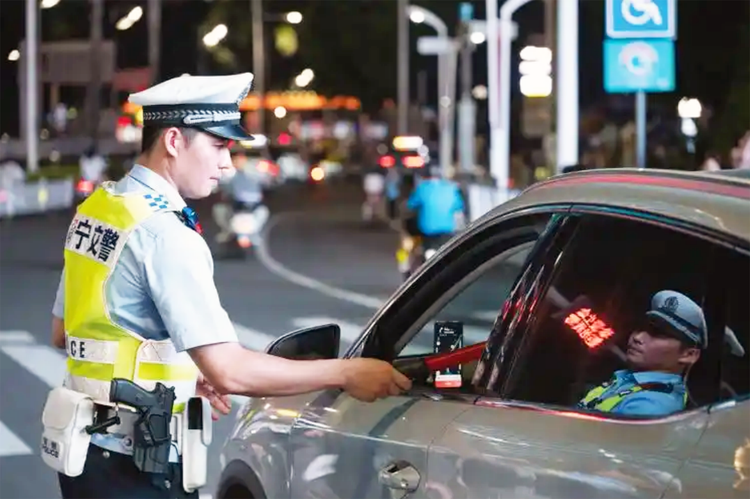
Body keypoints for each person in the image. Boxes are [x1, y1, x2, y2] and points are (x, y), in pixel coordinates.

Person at [45, 72, 411, 499]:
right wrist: (347, 372)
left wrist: (180, 376)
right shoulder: (165, 234)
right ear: (174, 140)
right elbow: (230, 371)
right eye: (219, 146)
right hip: (137, 466)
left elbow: (66, 332)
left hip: (86, 455)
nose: (227, 164)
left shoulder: (100, 209)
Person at [577, 290, 706, 417]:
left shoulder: (651, 405)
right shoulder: (631, 380)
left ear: (688, 355)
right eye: (640, 328)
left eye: (657, 334)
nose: (637, 337)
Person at [405, 166, 465, 256]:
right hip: (447, 228)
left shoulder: (422, 187)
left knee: (426, 249)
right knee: (446, 252)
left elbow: (410, 204)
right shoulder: (451, 188)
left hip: (427, 229)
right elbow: (459, 206)